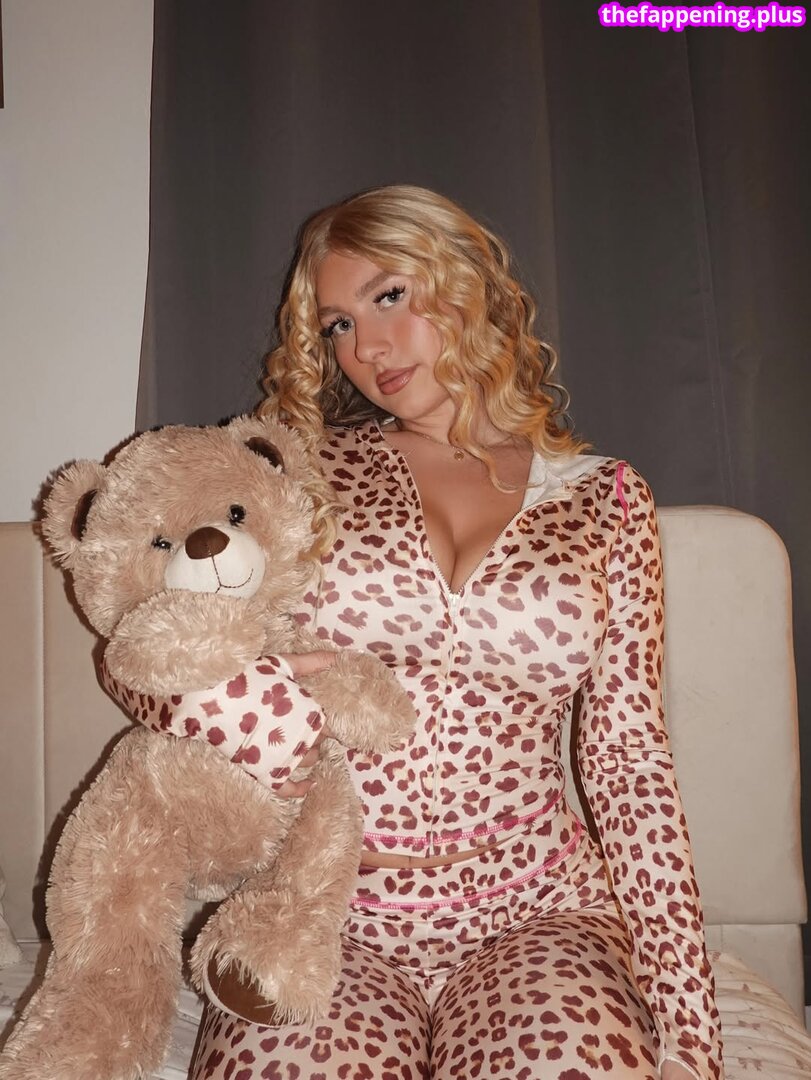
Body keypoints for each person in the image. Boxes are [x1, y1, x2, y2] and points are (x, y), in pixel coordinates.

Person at [125, 185, 724, 1079]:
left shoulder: (605, 499)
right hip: (324, 914)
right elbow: (140, 643)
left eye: (389, 297)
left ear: (469, 283)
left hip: (539, 911)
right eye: (337, 324)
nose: (365, 348)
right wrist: (249, 707)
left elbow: (627, 762)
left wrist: (689, 1030)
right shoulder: (291, 473)